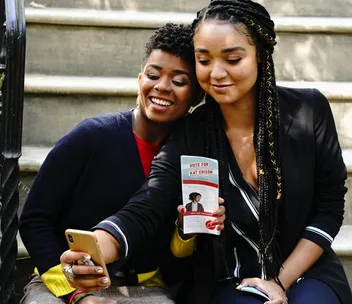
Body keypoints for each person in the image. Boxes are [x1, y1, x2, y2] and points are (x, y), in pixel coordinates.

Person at [61, 1, 352, 303]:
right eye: (204, 60)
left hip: (306, 269)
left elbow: (330, 208)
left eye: (233, 59)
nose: (216, 73)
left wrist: (280, 280)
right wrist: (95, 246)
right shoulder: (191, 132)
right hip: (229, 276)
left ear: (260, 56)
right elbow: (147, 206)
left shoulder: (309, 111)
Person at [19, 23, 225, 304]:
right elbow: (34, 220)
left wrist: (185, 230)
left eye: (179, 81)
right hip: (60, 281)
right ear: (140, 78)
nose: (162, 87)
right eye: (153, 75)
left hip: (145, 288)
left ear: (197, 96)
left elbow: (176, 263)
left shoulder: (191, 158)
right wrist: (74, 293)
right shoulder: (91, 136)